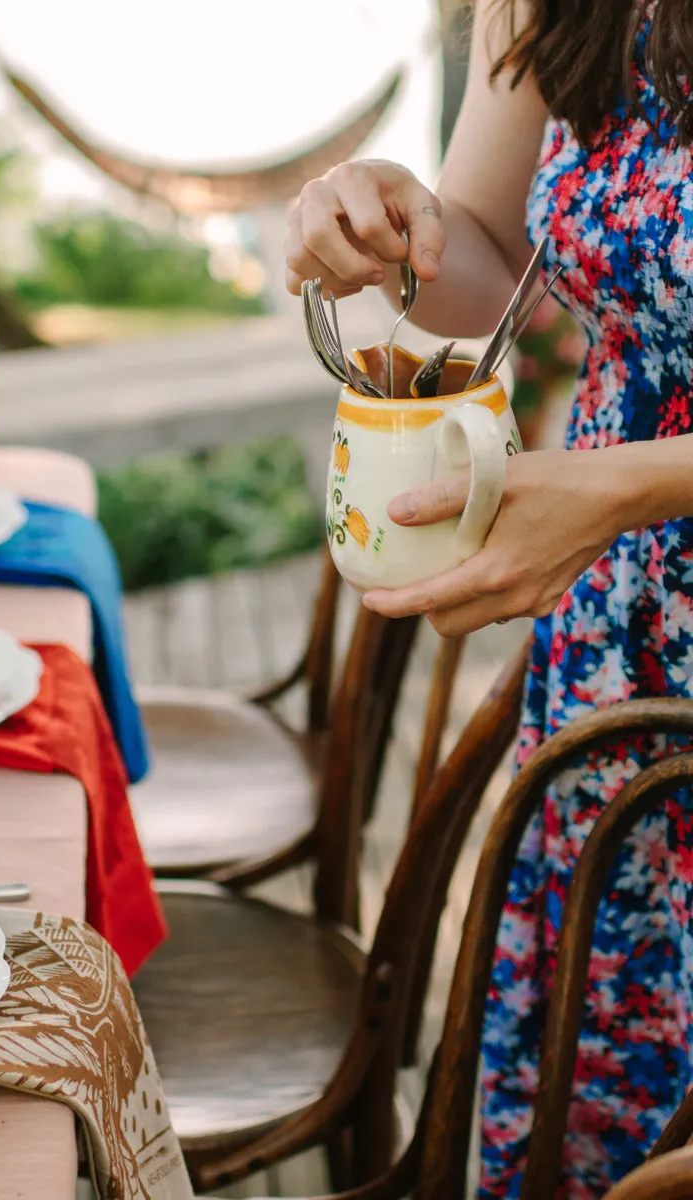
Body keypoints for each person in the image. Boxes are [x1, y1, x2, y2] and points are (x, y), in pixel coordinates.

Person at [284, 0, 693, 1195]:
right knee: (598, 1077)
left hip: (612, 517)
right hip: (616, 640)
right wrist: (387, 216)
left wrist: (634, 487)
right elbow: (487, 267)